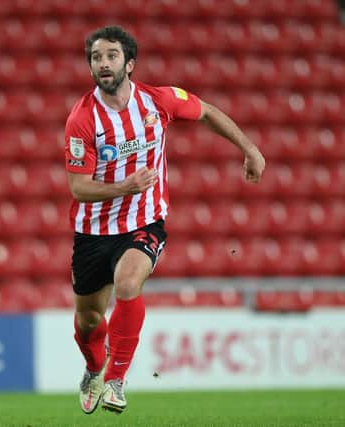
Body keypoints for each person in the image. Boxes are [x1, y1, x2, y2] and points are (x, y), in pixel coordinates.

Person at [64, 25, 265, 414]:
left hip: (145, 221)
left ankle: (117, 380)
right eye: (96, 58)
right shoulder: (82, 119)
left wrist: (249, 147)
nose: (103, 64)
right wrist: (127, 185)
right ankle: (93, 368)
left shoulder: (159, 100)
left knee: (127, 281)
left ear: (130, 63)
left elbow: (205, 111)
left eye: (111, 56)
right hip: (93, 231)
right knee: (88, 321)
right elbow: (79, 187)